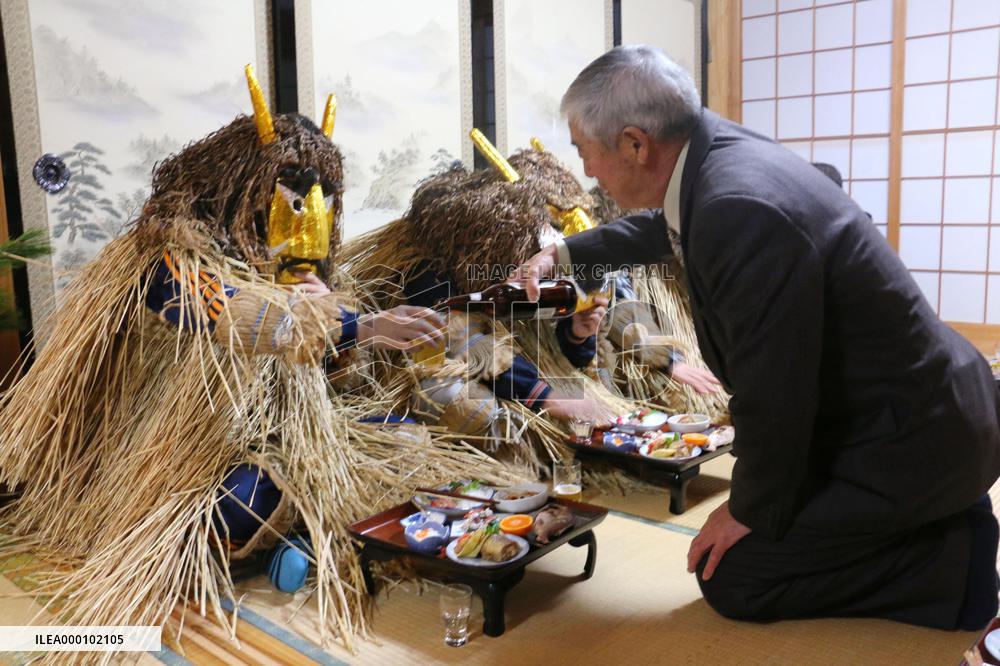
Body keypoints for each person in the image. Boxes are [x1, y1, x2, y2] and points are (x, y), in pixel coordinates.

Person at [516, 44, 1000, 630]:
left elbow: (777, 393)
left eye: (583, 151)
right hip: (929, 408)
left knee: (735, 575)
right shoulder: (715, 156)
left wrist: (747, 508)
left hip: (909, 436)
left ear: (636, 144)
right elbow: (664, 229)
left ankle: (953, 565)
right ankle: (941, 513)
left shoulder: (736, 208)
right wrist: (562, 253)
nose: (587, 170)